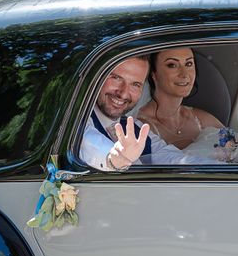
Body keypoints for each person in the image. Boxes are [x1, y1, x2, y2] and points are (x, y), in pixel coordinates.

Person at [80, 55, 211, 171]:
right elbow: (89, 144)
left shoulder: (136, 127)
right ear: (98, 78)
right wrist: (115, 159)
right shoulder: (78, 122)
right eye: (116, 78)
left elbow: (171, 158)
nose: (124, 93)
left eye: (135, 85)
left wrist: (220, 170)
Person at [136, 48, 223, 150]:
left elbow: (236, 145)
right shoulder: (140, 126)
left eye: (189, 64)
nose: (184, 74)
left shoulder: (201, 119)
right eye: (172, 65)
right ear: (153, 74)